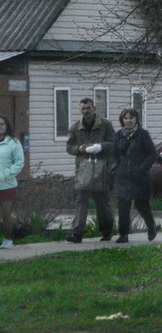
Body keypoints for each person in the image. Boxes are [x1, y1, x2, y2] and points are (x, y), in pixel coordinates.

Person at [65, 97, 116, 243]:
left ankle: (107, 232)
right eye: (83, 108)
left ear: (94, 108)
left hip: (101, 167)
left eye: (88, 108)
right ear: (79, 109)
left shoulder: (105, 124)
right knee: (81, 200)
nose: (86, 111)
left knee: (102, 201)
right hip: (83, 168)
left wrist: (100, 147)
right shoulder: (75, 127)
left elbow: (114, 143)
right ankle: (77, 234)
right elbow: (69, 147)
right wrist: (79, 149)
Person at [111, 108, 158, 243]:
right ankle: (123, 234)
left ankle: (151, 226)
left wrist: (142, 169)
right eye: (125, 118)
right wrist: (116, 167)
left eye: (131, 118)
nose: (129, 121)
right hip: (123, 176)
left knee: (142, 204)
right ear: (122, 121)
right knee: (123, 206)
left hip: (140, 177)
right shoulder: (118, 135)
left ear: (136, 119)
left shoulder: (143, 135)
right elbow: (113, 154)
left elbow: (152, 154)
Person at [0, 114, 24, 249]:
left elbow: (19, 163)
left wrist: (6, 174)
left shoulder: (13, 143)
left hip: (7, 184)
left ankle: (8, 239)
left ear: (6, 126)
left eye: (1, 124)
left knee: (5, 213)